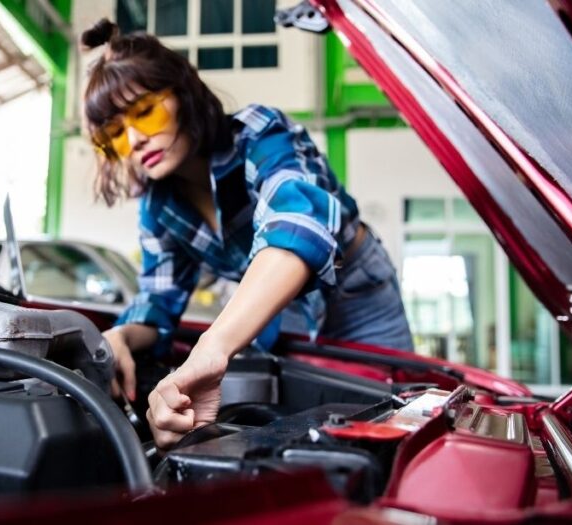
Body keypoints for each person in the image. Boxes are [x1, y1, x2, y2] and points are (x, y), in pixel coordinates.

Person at [80, 19, 413, 449]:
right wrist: (119, 336)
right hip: (281, 310)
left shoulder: (258, 134)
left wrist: (211, 349)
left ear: (184, 93)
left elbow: (297, 226)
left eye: (145, 112)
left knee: (398, 424)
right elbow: (158, 302)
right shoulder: (158, 209)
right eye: (114, 137)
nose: (135, 139)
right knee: (311, 435)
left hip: (359, 298)